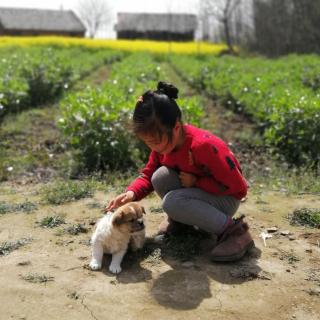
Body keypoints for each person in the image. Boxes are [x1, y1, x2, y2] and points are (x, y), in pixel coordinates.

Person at [106, 81, 254, 262]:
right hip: (200, 195)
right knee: (159, 177)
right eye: (148, 143)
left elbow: (239, 188)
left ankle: (235, 231)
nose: (154, 147)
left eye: (155, 142)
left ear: (176, 127)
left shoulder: (203, 146)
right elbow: (147, 174)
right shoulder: (164, 145)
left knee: (172, 202)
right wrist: (131, 193)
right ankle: (183, 223)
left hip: (225, 200)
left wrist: (197, 182)